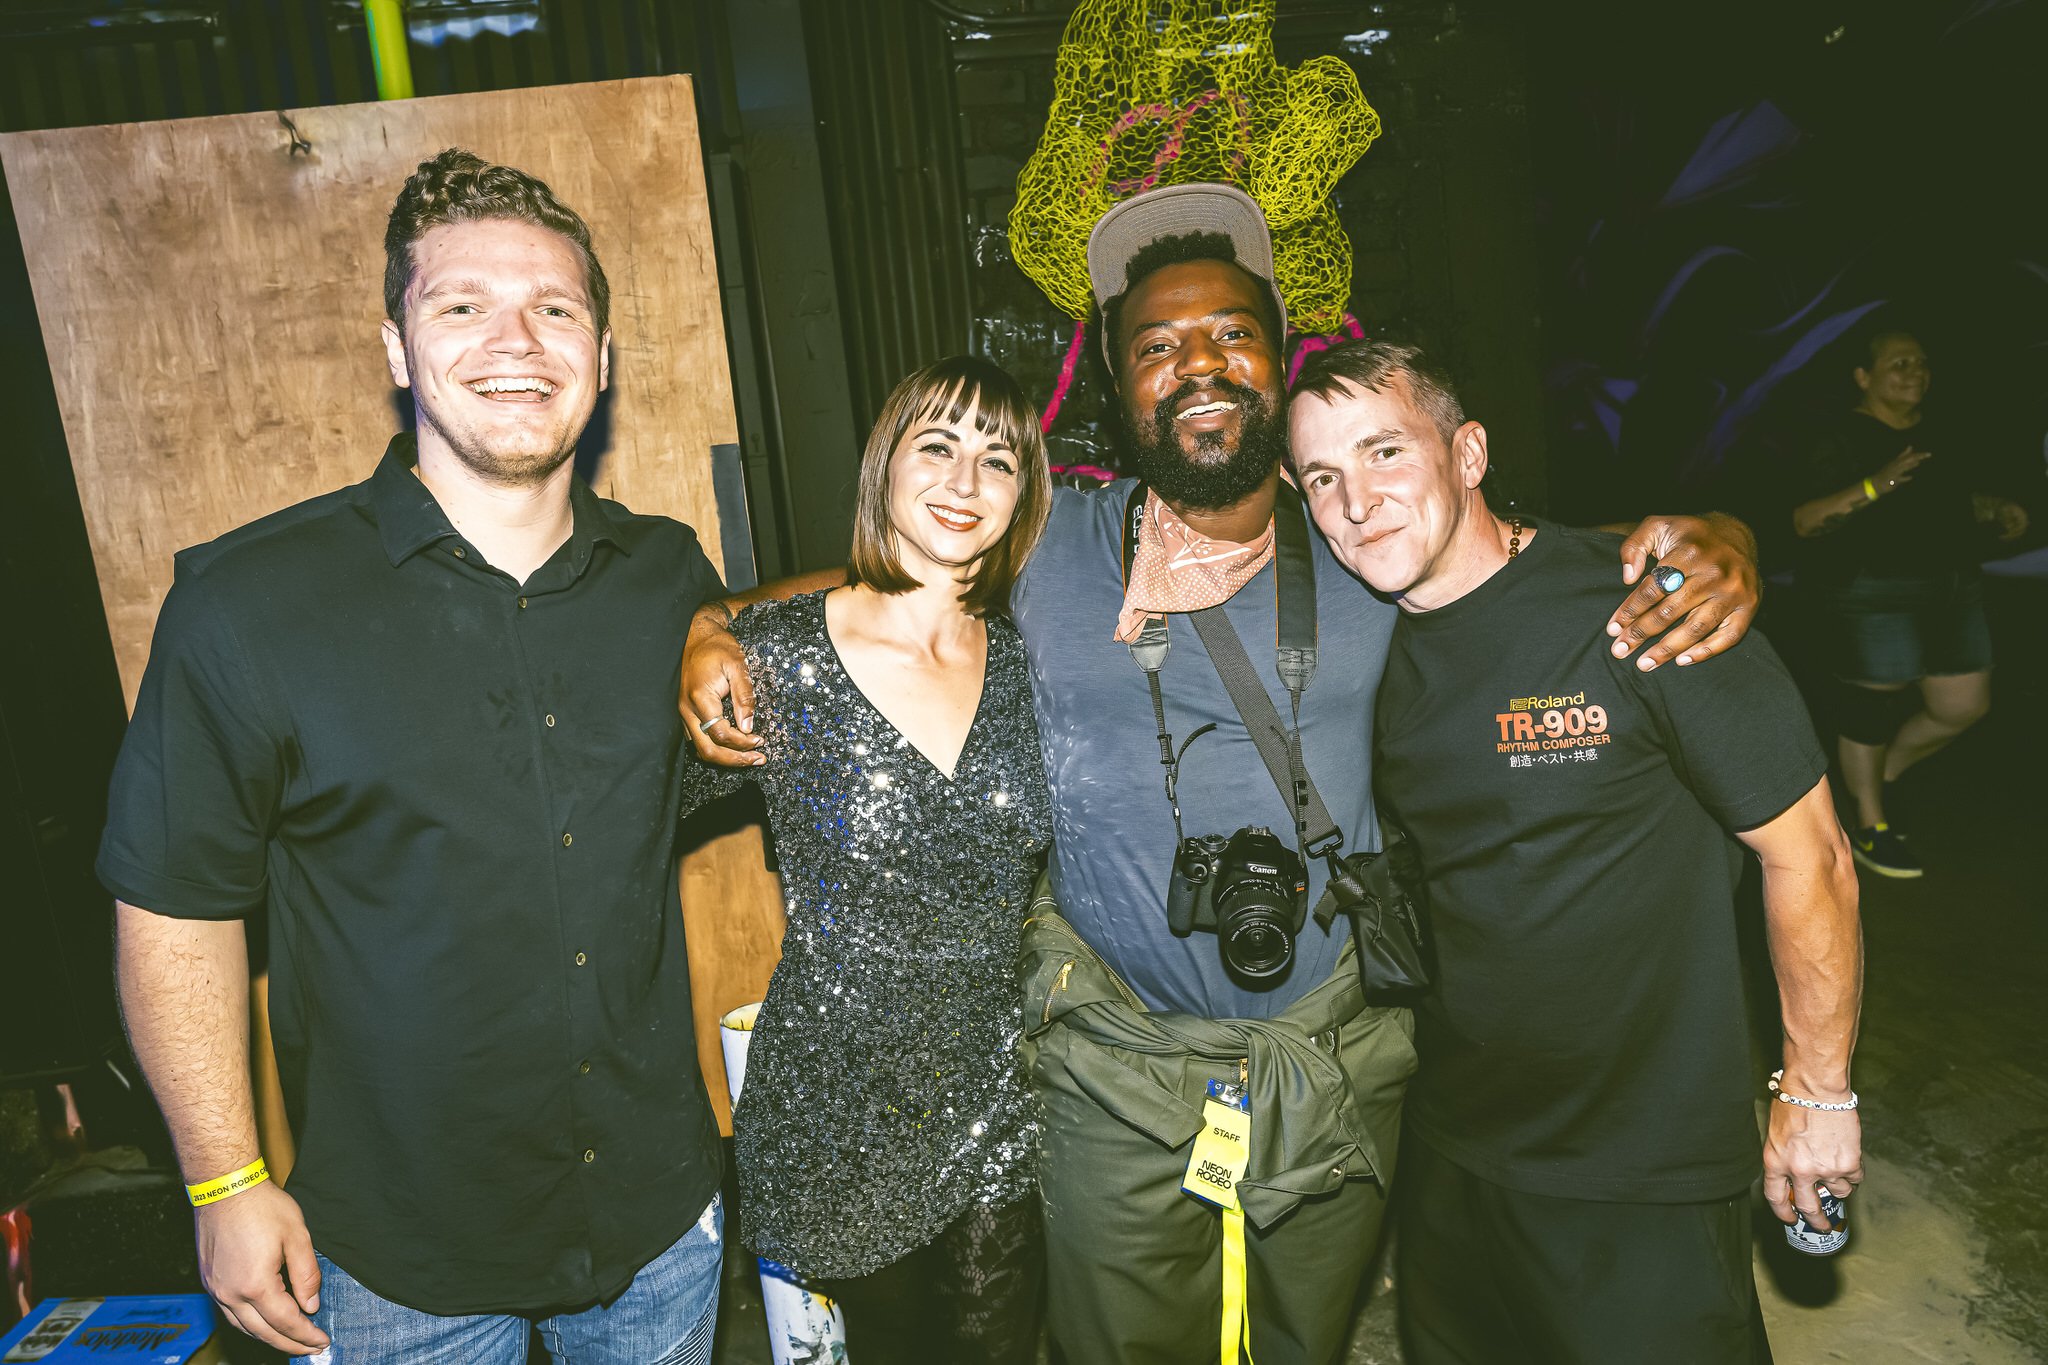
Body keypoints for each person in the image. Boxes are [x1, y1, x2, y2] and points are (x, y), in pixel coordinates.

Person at [684, 184, 1765, 1365]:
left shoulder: (1362, 540)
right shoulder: (1053, 541)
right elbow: (880, 583)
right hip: (1112, 1064)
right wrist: (715, 623)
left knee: (1304, 1339)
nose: (1196, 362)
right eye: (1156, 346)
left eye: (1229, 334)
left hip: (1334, 1049)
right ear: (1118, 391)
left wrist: (1721, 537)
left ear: (1276, 362)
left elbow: (1526, 562)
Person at [98, 149, 727, 1363]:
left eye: (555, 310)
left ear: (602, 356)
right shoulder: (248, 606)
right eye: (461, 306)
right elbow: (173, 909)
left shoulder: (669, 579)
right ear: (396, 349)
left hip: (660, 1227)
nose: (516, 341)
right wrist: (224, 1184)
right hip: (397, 1264)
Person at [1288, 337, 1864, 1364]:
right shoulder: (1354, 646)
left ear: (1467, 453)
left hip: (1638, 1167)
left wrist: (1815, 1093)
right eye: (1323, 476)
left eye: (1384, 452)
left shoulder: (1648, 607)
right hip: (1451, 1150)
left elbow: (1810, 857)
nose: (1357, 502)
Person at [681, 356, 1054, 1361]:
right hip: (840, 1108)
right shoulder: (779, 659)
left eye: (997, 459)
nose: (965, 481)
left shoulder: (1035, 661)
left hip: (998, 1100)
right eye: (937, 446)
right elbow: (611, 831)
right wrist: (706, 624)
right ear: (885, 463)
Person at [1791, 328, 2029, 878]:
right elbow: (1804, 521)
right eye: (1898, 363)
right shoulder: (1836, 436)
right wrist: (1876, 485)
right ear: (1863, 377)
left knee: (1963, 706)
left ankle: (1884, 772)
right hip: (1873, 591)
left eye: (1920, 362)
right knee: (1871, 707)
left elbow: (1943, 497)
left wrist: (1993, 508)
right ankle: (1870, 823)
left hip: (1952, 585)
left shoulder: (1939, 431)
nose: (1915, 371)